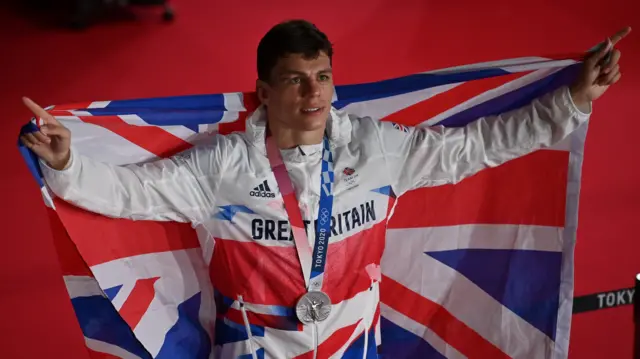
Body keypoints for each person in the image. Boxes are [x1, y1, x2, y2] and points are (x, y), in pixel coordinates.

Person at [20, 20, 630, 358]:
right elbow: (132, 195)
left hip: (354, 348)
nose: (314, 95)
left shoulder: (378, 150)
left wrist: (571, 103)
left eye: (323, 77)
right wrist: (69, 164)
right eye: (295, 80)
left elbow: (480, 146)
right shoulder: (224, 166)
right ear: (264, 92)